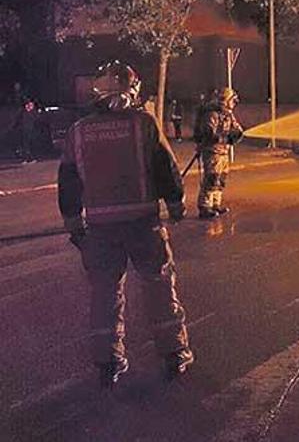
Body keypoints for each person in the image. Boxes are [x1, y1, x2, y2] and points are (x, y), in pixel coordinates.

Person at [57, 61, 194, 388]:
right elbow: (165, 169)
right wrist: (176, 205)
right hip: (143, 225)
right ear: (132, 90)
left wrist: (74, 225)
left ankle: (108, 362)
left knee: (105, 294)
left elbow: (68, 182)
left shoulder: (78, 131)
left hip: (101, 230)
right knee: (159, 287)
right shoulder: (144, 124)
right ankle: (174, 354)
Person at [194, 87, 243, 219]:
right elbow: (210, 134)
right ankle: (204, 207)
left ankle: (215, 204)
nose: (234, 103)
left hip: (223, 151)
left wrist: (237, 135)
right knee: (211, 179)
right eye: (232, 100)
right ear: (225, 100)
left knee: (220, 179)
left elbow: (236, 128)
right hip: (212, 152)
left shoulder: (227, 114)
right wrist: (226, 138)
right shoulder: (212, 114)